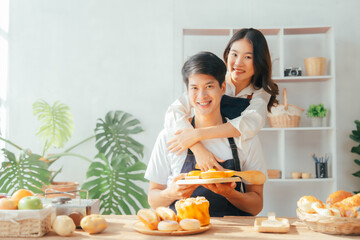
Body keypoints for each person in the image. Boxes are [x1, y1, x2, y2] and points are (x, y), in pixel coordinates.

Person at [145, 52, 266, 216]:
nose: (201, 96)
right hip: (184, 233)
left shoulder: (245, 139)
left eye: (209, 86)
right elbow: (153, 199)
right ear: (187, 92)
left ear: (222, 88)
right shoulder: (168, 137)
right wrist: (171, 193)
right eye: (194, 88)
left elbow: (256, 205)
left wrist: (228, 192)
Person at [165, 28, 279, 171]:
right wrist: (196, 147)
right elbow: (174, 112)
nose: (238, 63)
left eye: (248, 57)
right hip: (201, 148)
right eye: (234, 54)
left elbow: (249, 123)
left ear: (259, 61)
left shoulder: (259, 94)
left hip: (238, 155)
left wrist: (198, 134)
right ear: (227, 54)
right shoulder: (212, 81)